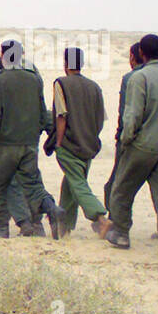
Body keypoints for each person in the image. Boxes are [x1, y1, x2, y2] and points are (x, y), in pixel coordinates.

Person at [105, 34, 158, 255]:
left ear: (141, 53)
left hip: (142, 146)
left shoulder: (139, 78)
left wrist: (126, 140)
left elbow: (132, 116)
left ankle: (122, 233)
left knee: (122, 190)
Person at [0, 40, 65, 238]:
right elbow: (41, 110)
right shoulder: (34, 78)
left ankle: (1, 228)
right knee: (33, 185)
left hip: (5, 143)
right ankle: (52, 209)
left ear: (3, 55)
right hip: (29, 143)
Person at [50, 47, 112, 237]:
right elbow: (100, 119)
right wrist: (90, 137)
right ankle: (65, 228)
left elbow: (61, 115)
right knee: (71, 184)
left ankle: (101, 219)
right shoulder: (94, 87)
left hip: (69, 144)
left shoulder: (61, 84)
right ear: (82, 64)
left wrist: (58, 143)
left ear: (65, 63)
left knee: (78, 184)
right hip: (89, 145)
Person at [103, 42, 145, 210]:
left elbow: (127, 113)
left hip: (132, 140)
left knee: (116, 184)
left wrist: (123, 137)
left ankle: (115, 224)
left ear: (133, 57)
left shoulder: (130, 78)